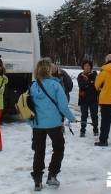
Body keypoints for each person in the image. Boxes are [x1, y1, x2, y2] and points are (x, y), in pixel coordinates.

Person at [29, 58, 76, 191]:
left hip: (37, 124)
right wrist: (71, 118)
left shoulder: (33, 85)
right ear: (49, 70)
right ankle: (52, 175)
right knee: (59, 148)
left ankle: (37, 180)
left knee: (39, 151)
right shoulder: (56, 85)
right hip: (54, 123)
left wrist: (31, 123)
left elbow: (28, 105)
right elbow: (63, 106)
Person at [77, 59, 99, 137]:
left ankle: (96, 130)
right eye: (85, 65)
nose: (87, 67)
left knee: (94, 115)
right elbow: (81, 86)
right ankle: (82, 130)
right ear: (83, 67)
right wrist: (90, 82)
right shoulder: (80, 75)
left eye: (88, 65)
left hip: (93, 99)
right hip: (83, 99)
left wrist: (88, 83)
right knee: (84, 115)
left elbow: (96, 86)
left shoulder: (95, 75)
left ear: (91, 67)